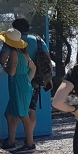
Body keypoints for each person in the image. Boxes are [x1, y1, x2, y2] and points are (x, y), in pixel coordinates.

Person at [11, 18, 49, 147]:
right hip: (36, 79)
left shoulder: (15, 42)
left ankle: (24, 140)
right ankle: (29, 139)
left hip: (21, 79)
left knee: (19, 109)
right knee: (31, 109)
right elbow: (47, 59)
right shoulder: (38, 40)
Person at [0, 28, 36, 153]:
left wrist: (4, 66)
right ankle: (11, 141)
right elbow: (33, 68)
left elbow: (12, 71)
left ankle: (30, 143)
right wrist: (26, 81)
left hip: (18, 85)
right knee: (10, 113)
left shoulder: (13, 53)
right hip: (23, 84)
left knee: (23, 115)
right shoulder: (24, 53)